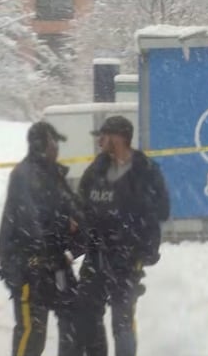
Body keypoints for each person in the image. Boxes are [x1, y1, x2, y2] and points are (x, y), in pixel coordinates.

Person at [74, 116, 170, 356]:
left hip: (128, 257)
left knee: (122, 320)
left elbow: (161, 210)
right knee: (87, 314)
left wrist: (142, 247)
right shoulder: (96, 168)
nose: (99, 140)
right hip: (96, 254)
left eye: (103, 135)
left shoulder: (144, 170)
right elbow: (81, 207)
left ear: (119, 138)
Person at [0, 121, 82, 356]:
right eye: (54, 143)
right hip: (28, 265)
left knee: (73, 318)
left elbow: (73, 208)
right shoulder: (24, 176)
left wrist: (80, 222)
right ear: (42, 145)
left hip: (54, 264)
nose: (57, 149)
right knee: (32, 331)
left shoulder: (53, 175)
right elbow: (30, 222)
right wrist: (64, 224)